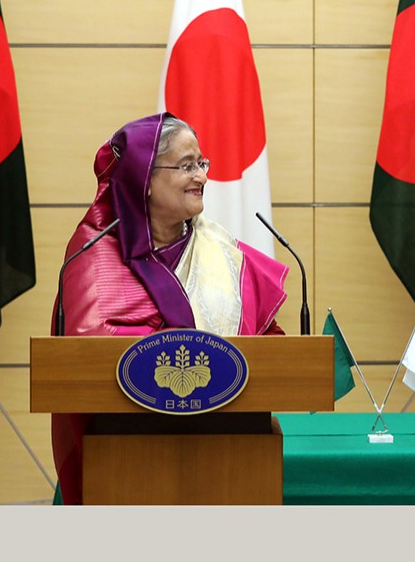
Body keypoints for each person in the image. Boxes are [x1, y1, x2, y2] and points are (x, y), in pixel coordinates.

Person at [51, 113, 289, 504]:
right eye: (186, 166)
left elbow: (271, 348)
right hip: (127, 460)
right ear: (144, 178)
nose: (202, 177)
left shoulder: (221, 253)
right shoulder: (95, 251)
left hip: (229, 456)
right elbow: (85, 357)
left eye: (202, 163)